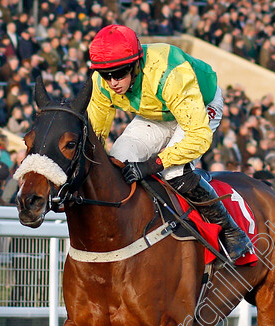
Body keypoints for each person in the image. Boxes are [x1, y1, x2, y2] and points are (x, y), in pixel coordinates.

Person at [86, 24, 252, 261]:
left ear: (136, 64)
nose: (113, 82)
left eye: (120, 73)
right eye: (106, 75)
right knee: (119, 161)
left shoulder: (170, 72)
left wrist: (153, 164)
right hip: (157, 112)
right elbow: (95, 134)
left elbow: (197, 136)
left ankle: (231, 231)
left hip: (199, 104)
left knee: (173, 172)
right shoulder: (101, 82)